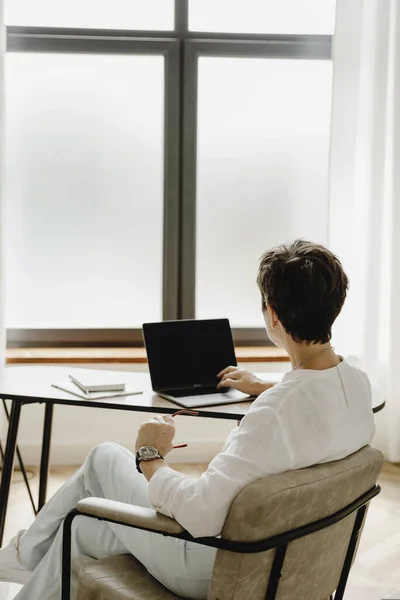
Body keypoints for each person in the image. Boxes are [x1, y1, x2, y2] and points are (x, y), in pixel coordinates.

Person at [0, 240, 375, 600]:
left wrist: (150, 455)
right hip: (292, 557)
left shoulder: (272, 414)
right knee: (80, 532)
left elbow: (199, 515)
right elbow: (310, 401)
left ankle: (21, 553)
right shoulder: (356, 384)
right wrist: (266, 386)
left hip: (220, 565)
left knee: (102, 458)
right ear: (334, 306)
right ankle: (26, 558)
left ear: (273, 314)